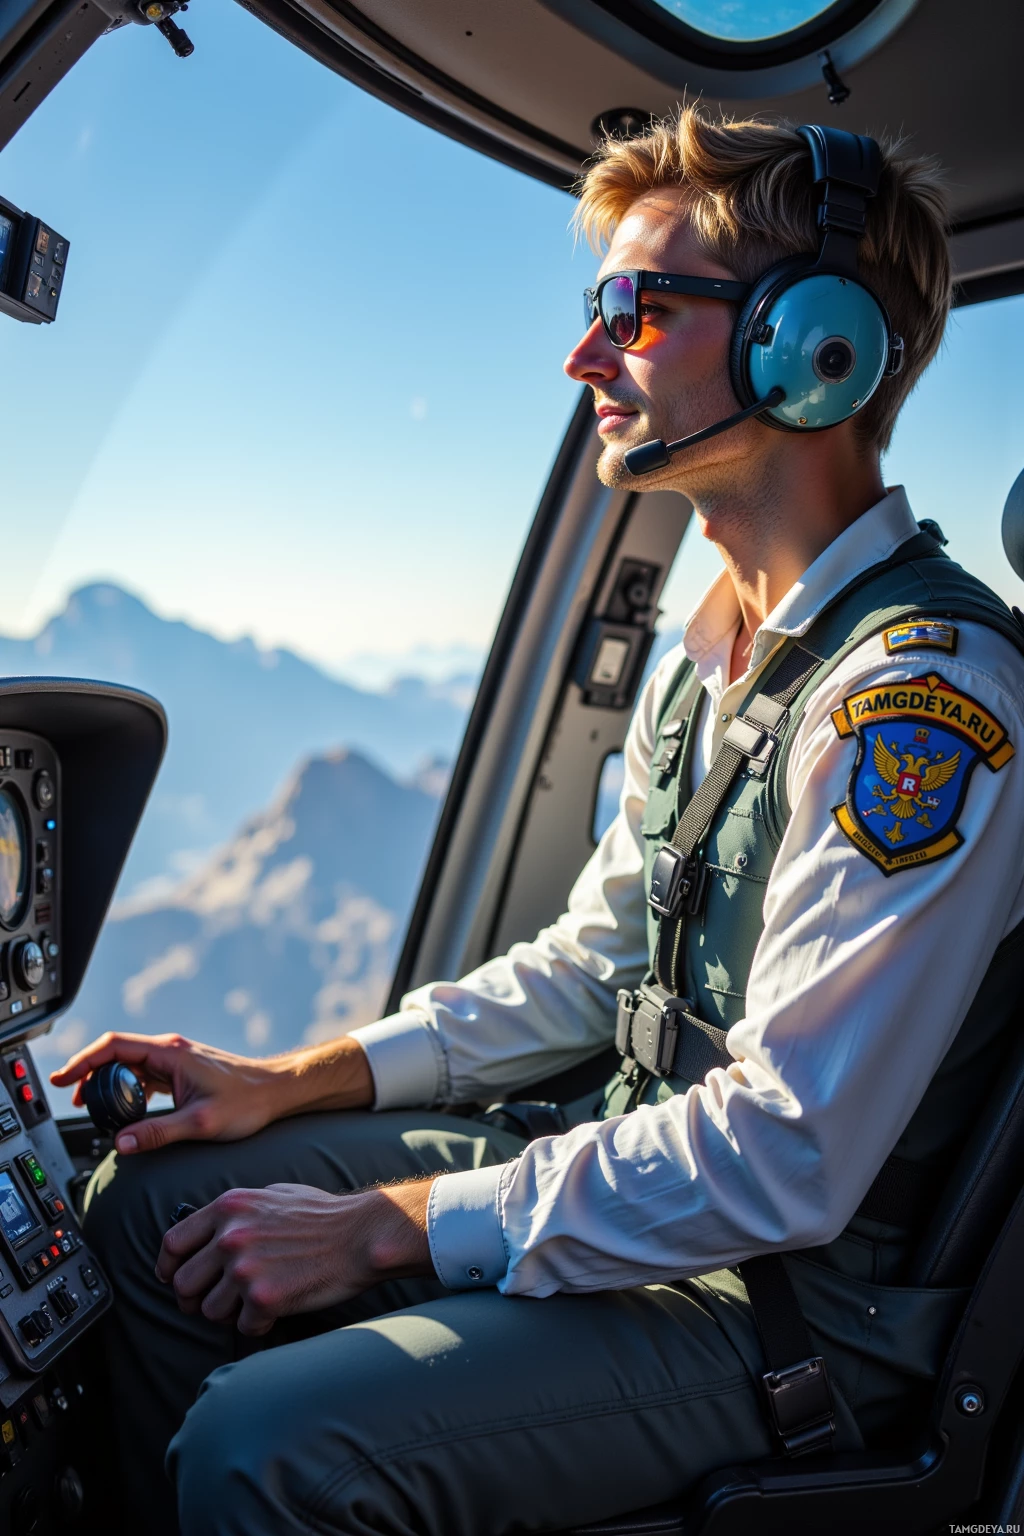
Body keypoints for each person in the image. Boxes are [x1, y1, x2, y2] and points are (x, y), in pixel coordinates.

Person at [54, 107, 1024, 1536]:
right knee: (151, 1210)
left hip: (788, 1311)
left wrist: (395, 1225)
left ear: (814, 347)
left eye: (632, 312)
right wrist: (290, 1079)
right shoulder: (713, 652)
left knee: (265, 1452)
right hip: (647, 1182)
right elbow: (588, 964)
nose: (584, 358)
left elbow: (788, 1157)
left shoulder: (923, 701)